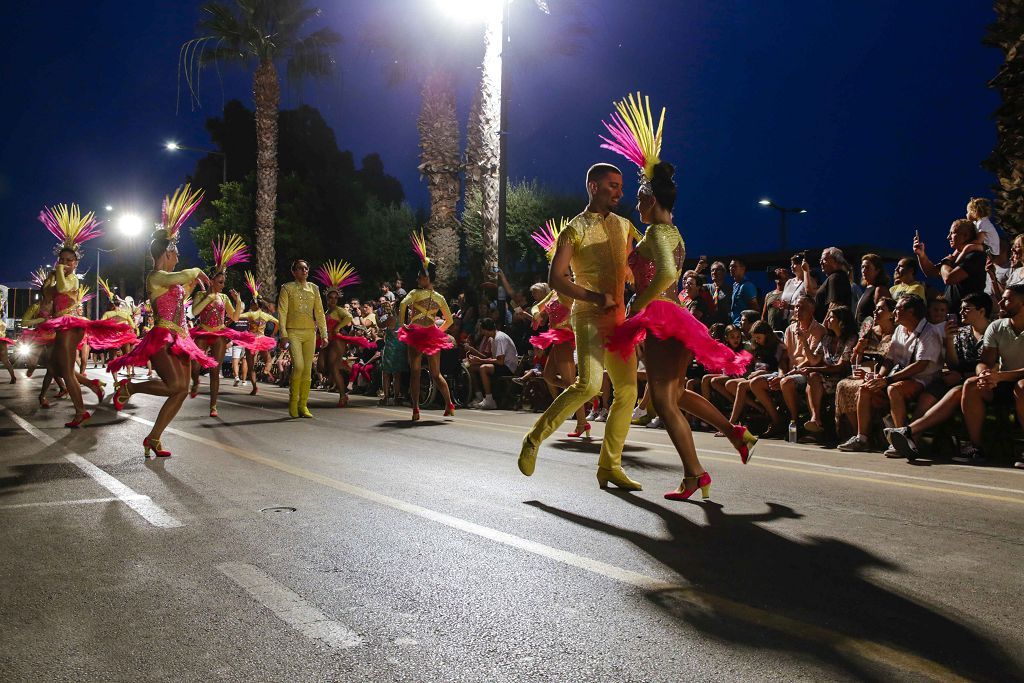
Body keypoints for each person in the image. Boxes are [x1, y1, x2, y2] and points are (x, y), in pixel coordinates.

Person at [598, 96, 756, 499]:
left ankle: (695, 474)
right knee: (676, 395)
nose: (636, 205)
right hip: (673, 316)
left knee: (664, 405)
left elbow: (667, 274)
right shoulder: (674, 232)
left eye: (638, 199)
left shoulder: (656, 233)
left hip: (661, 317)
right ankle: (735, 433)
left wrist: (639, 303)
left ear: (651, 199)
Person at [517, 161, 643, 490]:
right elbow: (555, 278)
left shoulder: (626, 225)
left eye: (621, 186)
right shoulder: (575, 228)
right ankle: (533, 439)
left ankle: (609, 466)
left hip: (618, 320)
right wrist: (595, 296)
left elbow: (648, 257)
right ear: (593, 187)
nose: (619, 191)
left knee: (628, 391)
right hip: (588, 315)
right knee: (588, 386)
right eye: (612, 185)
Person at [109, 185, 215, 456]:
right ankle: (130, 386)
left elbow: (184, 294)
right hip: (161, 337)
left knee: (180, 390)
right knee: (176, 386)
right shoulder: (155, 277)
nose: (178, 256)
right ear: (167, 253)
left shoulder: (174, 278)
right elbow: (176, 279)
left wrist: (201, 287)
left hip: (180, 338)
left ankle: (154, 438)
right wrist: (195, 271)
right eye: (176, 252)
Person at [35, 204, 137, 427]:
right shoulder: (61, 275)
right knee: (59, 368)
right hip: (63, 325)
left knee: (66, 372)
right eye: (62, 260)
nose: (65, 263)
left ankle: (81, 410)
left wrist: (59, 272)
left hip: (70, 325)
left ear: (76, 262)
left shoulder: (72, 278)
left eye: (69, 261)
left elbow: (61, 289)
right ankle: (93, 385)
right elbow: (48, 296)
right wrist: (50, 279)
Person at [884, 291, 994, 460]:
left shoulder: (994, 330)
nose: (962, 312)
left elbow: (991, 364)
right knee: (928, 395)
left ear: (981, 311)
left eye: (967, 309)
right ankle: (911, 440)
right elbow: (952, 363)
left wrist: (963, 375)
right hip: (956, 377)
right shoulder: (961, 332)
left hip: (983, 381)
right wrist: (949, 341)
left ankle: (908, 432)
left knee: (957, 390)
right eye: (961, 309)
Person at [838, 295, 943, 452]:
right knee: (865, 388)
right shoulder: (900, 329)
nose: (895, 312)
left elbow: (920, 366)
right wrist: (879, 376)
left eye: (898, 308)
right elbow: (889, 359)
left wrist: (888, 380)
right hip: (897, 376)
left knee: (894, 389)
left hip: (922, 380)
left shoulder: (929, 332)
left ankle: (902, 440)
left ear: (911, 312)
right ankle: (862, 438)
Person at [524, 221, 591, 436]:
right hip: (554, 338)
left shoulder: (568, 290)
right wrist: (536, 315)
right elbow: (537, 306)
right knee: (549, 376)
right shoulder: (554, 292)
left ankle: (582, 422)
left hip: (565, 337)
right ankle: (585, 396)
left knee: (570, 382)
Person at [189, 233, 252, 418]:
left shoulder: (224, 297)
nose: (223, 285)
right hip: (202, 331)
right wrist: (209, 296)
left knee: (215, 370)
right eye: (220, 281)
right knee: (195, 366)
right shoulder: (201, 295)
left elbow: (234, 316)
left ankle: (213, 405)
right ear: (212, 280)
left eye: (224, 282)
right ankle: (195, 382)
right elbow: (194, 313)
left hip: (219, 334)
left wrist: (239, 301)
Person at [744, 296, 825, 437]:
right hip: (789, 371)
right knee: (756, 383)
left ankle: (794, 422)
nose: (798, 310)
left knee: (786, 382)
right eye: (796, 307)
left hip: (804, 372)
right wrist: (781, 373)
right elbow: (784, 358)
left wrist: (785, 376)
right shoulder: (790, 329)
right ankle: (777, 420)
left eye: (802, 307)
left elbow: (812, 361)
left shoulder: (818, 330)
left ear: (812, 310)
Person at [398, 231, 456, 421]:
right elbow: (450, 320)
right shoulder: (440, 297)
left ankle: (415, 409)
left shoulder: (414, 293)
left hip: (415, 334)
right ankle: (449, 404)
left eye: (419, 277)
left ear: (426, 278)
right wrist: (437, 333)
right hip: (431, 334)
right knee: (436, 373)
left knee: (415, 372)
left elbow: (402, 304)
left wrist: (403, 325)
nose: (417, 280)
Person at [316, 259, 372, 408]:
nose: (333, 299)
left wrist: (337, 328)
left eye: (335, 297)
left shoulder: (339, 310)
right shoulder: (326, 311)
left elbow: (348, 317)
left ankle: (343, 396)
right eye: (330, 297)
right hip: (326, 341)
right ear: (327, 298)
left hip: (337, 341)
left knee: (333, 367)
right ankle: (345, 368)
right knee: (320, 366)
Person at [278, 258, 328, 418]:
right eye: (300, 269)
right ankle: (293, 401)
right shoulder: (287, 288)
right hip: (293, 332)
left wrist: (324, 334)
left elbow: (319, 312)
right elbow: (282, 312)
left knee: (307, 369)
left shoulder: (314, 288)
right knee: (298, 366)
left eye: (306, 268)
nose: (304, 271)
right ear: (293, 272)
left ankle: (303, 405)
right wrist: (283, 334)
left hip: (310, 333)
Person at [801, 305, 857, 435]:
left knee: (813, 376)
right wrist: (804, 342)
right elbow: (814, 360)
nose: (827, 320)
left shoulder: (851, 339)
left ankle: (816, 422)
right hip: (825, 376)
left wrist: (812, 369)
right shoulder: (827, 338)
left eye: (831, 317)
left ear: (841, 321)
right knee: (813, 376)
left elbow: (840, 366)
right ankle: (816, 419)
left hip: (841, 376)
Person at [914, 219, 987, 312]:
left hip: (965, 317)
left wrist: (946, 263)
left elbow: (949, 278)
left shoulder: (975, 255)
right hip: (951, 316)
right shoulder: (956, 256)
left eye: (952, 233)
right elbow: (931, 272)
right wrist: (921, 255)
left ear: (965, 235)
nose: (948, 237)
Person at [238, 272, 279, 395]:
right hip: (261, 338)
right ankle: (266, 371)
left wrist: (238, 303)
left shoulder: (250, 314)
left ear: (253, 304)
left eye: (251, 304)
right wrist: (272, 335)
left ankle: (255, 387)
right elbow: (278, 322)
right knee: (268, 360)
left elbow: (237, 317)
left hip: (251, 339)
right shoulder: (266, 315)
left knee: (251, 366)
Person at [467, 318, 517, 409]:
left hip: (508, 367)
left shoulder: (499, 338)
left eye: (482, 330)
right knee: (472, 368)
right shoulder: (493, 339)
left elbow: (500, 361)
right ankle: (479, 397)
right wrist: (477, 360)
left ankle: (489, 400)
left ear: (486, 329)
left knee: (483, 368)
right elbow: (495, 359)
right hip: (501, 365)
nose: (481, 332)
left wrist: (481, 361)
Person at [804, 247, 852, 322]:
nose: (821, 262)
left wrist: (824, 327)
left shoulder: (835, 277)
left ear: (837, 261)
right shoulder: (835, 277)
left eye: (824, 259)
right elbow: (811, 293)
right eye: (820, 260)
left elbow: (834, 305)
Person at [378, 300, 407, 405]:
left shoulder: (391, 318)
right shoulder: (405, 320)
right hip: (401, 348)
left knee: (386, 373)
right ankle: (396, 397)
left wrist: (377, 317)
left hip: (390, 348)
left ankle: (386, 397)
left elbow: (380, 325)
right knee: (397, 374)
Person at [854, 254, 891, 324]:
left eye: (867, 267)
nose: (863, 270)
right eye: (862, 267)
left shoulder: (879, 289)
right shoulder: (868, 288)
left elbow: (882, 316)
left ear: (877, 270)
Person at [728, 258, 758, 325]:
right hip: (735, 326)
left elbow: (755, 309)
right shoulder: (735, 285)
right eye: (730, 266)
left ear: (743, 268)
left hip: (743, 327)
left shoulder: (747, 286)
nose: (731, 268)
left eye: (734, 266)